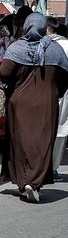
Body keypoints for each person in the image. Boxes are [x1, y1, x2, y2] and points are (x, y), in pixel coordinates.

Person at [0, 12, 68, 203]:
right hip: (47, 103)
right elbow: (65, 77)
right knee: (42, 142)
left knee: (20, 142)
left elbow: (4, 72)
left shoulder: (16, 48)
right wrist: (55, 91)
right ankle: (34, 182)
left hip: (19, 104)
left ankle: (24, 181)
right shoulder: (55, 50)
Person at [46, 17, 68, 182]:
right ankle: (52, 168)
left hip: (46, 92)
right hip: (63, 93)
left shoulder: (42, 44)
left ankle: (43, 167)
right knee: (60, 129)